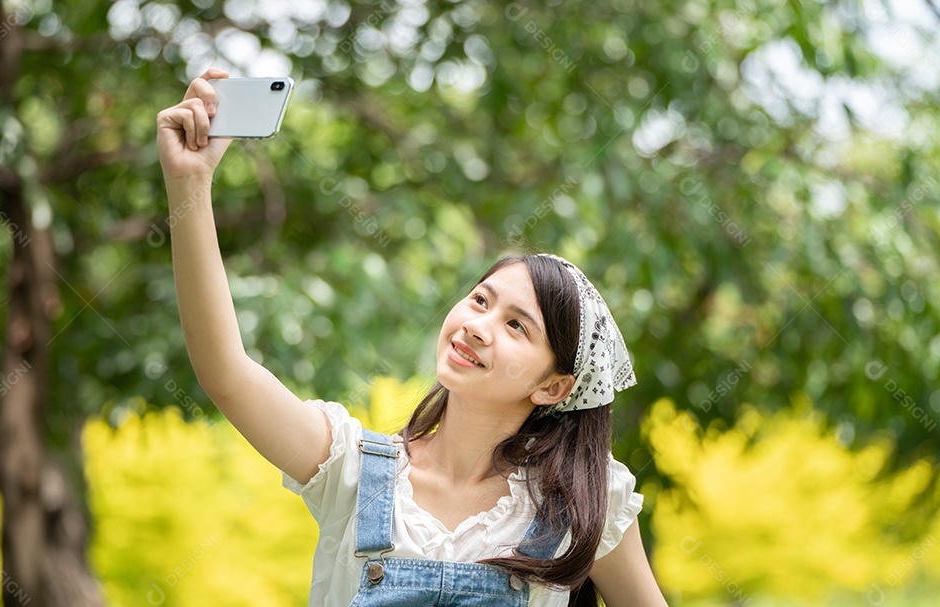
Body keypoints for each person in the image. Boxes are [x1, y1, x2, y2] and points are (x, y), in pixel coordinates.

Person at [157, 68, 669, 607]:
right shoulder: (351, 468)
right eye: (480, 300)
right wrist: (190, 183)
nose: (478, 325)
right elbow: (226, 373)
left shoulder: (586, 506)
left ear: (554, 387)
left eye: (516, 326)